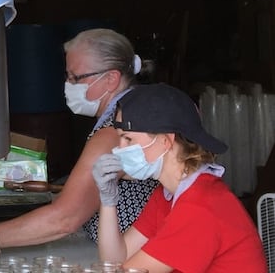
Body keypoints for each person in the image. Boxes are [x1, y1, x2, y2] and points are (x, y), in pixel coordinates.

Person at [0, 28, 158, 253]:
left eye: (76, 77)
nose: (69, 85)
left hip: (133, 257)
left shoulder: (114, 133)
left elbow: (65, 219)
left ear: (111, 79)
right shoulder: (132, 113)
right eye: (67, 76)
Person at [92, 83, 266, 271]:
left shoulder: (199, 206)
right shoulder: (168, 194)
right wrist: (108, 200)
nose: (119, 149)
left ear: (165, 141)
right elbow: (115, 261)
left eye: (128, 139)